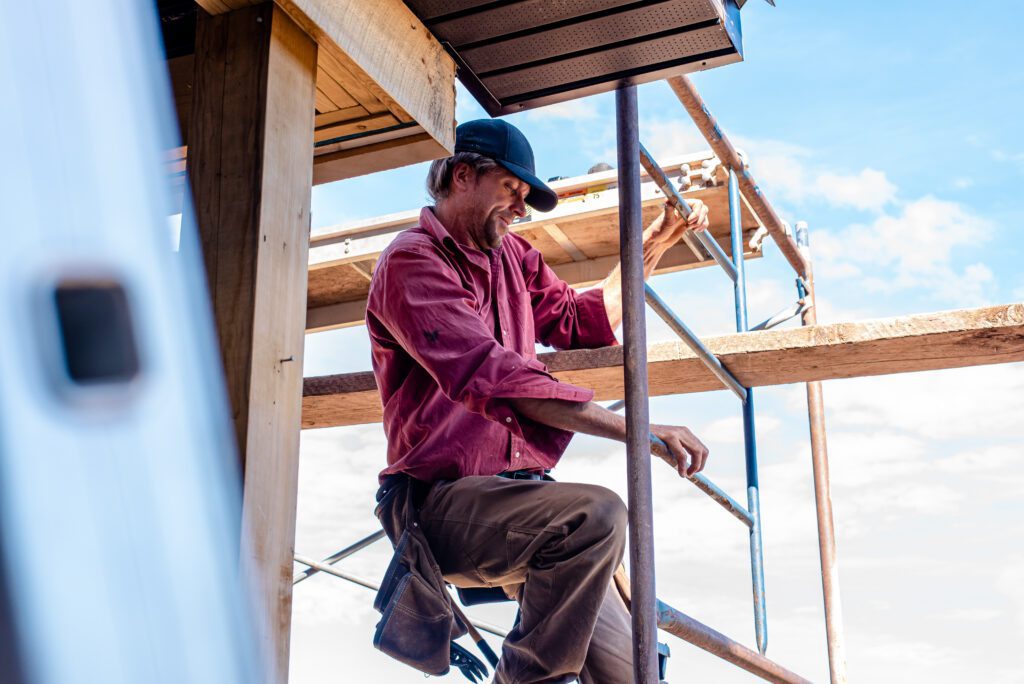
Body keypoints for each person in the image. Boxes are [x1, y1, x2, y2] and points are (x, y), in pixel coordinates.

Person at [366, 119, 711, 684]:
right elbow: (494, 376)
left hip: (523, 504)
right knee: (596, 516)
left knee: (633, 673)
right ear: (461, 175)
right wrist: (642, 430)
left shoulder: (514, 259)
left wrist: (659, 239)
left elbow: (584, 319)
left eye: (526, 198)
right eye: (510, 190)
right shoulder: (413, 261)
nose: (520, 209)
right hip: (438, 507)